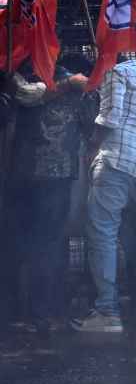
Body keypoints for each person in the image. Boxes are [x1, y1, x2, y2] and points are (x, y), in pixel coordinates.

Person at [71, 58, 136, 333]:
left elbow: (109, 117)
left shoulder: (115, 72)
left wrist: (92, 146)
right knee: (132, 237)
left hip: (116, 163)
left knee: (101, 235)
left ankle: (107, 311)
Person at [3, 63, 90, 333]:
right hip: (54, 175)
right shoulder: (72, 84)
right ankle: (45, 312)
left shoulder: (18, 78)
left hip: (25, 173)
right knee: (49, 244)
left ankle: (25, 312)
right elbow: (89, 126)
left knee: (25, 243)